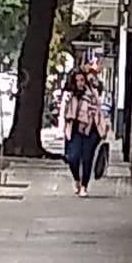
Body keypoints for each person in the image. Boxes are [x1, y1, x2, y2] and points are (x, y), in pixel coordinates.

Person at [58, 68, 107, 197]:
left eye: (82, 80)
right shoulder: (69, 95)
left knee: (87, 158)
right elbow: (64, 113)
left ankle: (84, 186)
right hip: (74, 129)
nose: (80, 83)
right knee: (72, 157)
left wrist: (102, 127)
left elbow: (97, 110)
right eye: (77, 80)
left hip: (91, 129)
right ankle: (76, 180)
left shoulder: (92, 93)